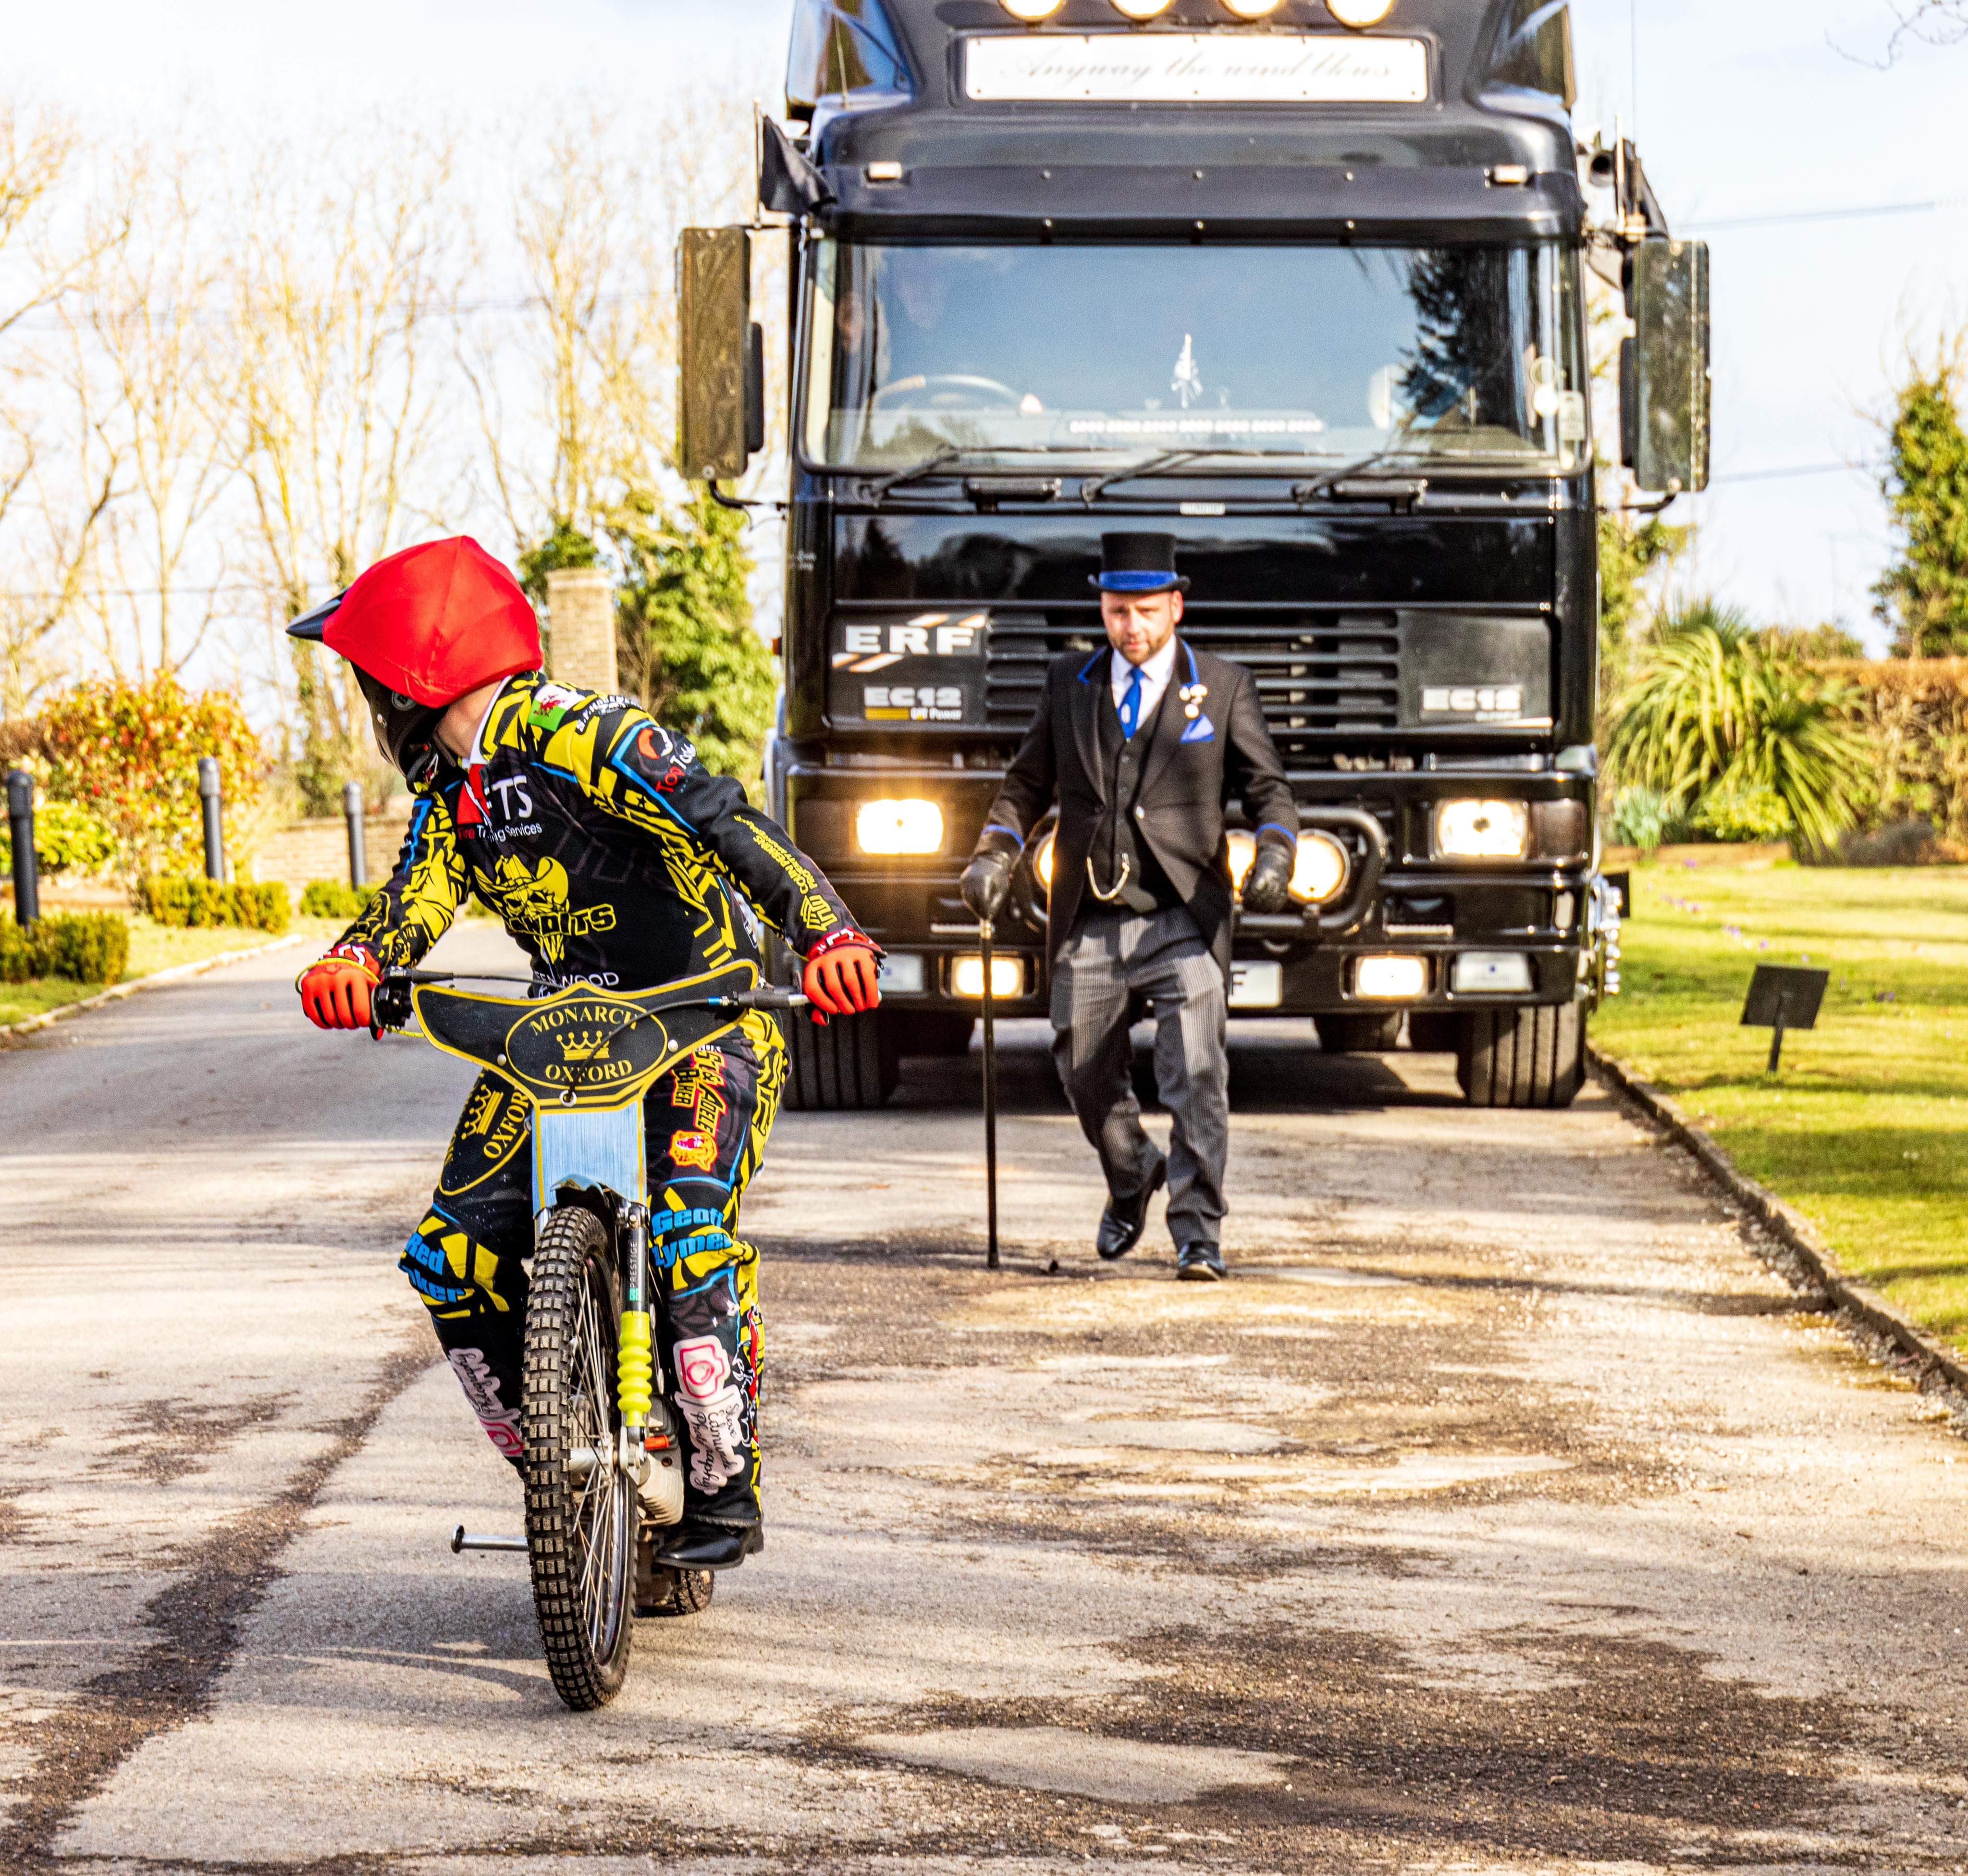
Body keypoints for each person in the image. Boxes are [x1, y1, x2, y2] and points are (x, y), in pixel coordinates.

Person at [290, 535, 881, 1569]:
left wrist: (826, 927)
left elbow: (727, 820)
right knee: (449, 1257)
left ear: (410, 679)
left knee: (689, 1236)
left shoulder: (586, 733)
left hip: (704, 1017)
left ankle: (720, 1480)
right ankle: (563, 1466)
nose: (370, 703)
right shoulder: (451, 791)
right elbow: (415, 897)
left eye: (368, 679)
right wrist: (357, 959)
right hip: (560, 1031)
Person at [960, 532, 1297, 1282]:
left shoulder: (1225, 686)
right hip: (1091, 918)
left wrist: (1276, 851)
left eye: (1146, 611)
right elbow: (1023, 787)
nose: (1131, 628)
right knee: (1081, 1068)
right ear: (1103, 610)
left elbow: (1268, 790)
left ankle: (1198, 1233)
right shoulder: (1067, 683)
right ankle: (1131, 1170)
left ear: (1175, 607)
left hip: (1184, 915)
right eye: (1117, 612)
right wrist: (994, 852)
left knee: (1197, 1075)